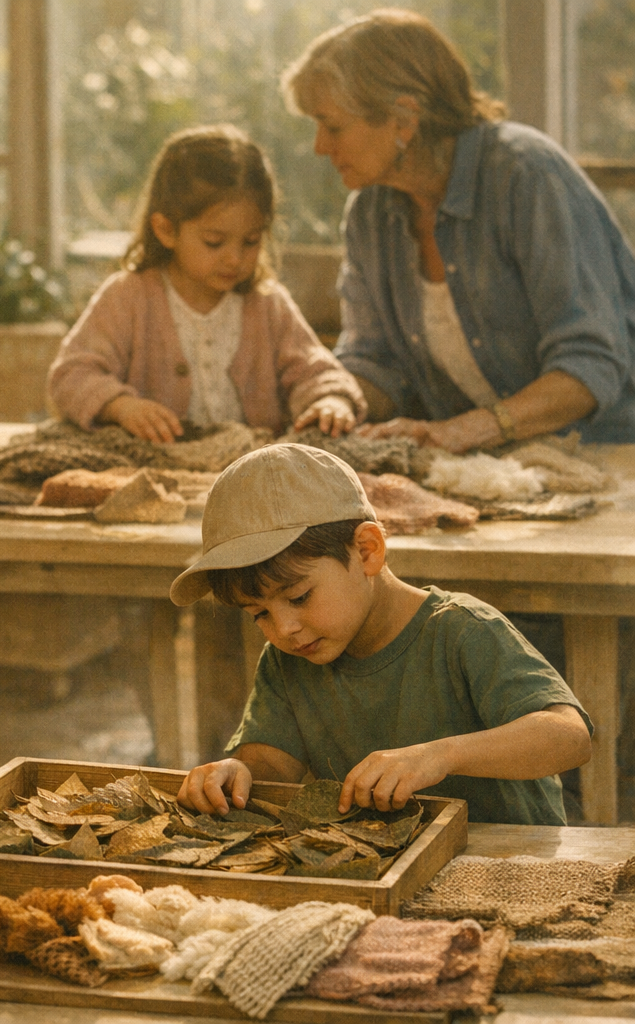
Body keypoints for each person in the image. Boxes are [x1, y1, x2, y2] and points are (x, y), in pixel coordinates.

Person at [171, 443, 592, 826]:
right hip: (386, 870)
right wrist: (236, 773)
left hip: (509, 866)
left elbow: (569, 737)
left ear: (368, 550)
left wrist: (439, 756)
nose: (284, 629)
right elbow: (270, 764)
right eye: (259, 613)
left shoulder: (462, 631)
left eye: (299, 597)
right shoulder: (288, 659)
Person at [282, 9, 635, 450]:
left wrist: (466, 430)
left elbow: (591, 364)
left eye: (332, 125)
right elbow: (374, 361)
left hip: (609, 454)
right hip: (497, 468)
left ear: (404, 119)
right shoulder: (369, 214)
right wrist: (336, 399)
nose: (319, 146)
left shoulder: (526, 174)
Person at [48, 124, 367, 442]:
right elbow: (70, 376)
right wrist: (120, 406)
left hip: (248, 476)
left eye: (251, 241)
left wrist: (330, 400)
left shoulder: (268, 304)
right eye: (214, 242)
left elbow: (314, 371)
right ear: (165, 229)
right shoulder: (128, 297)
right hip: (154, 472)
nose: (234, 258)